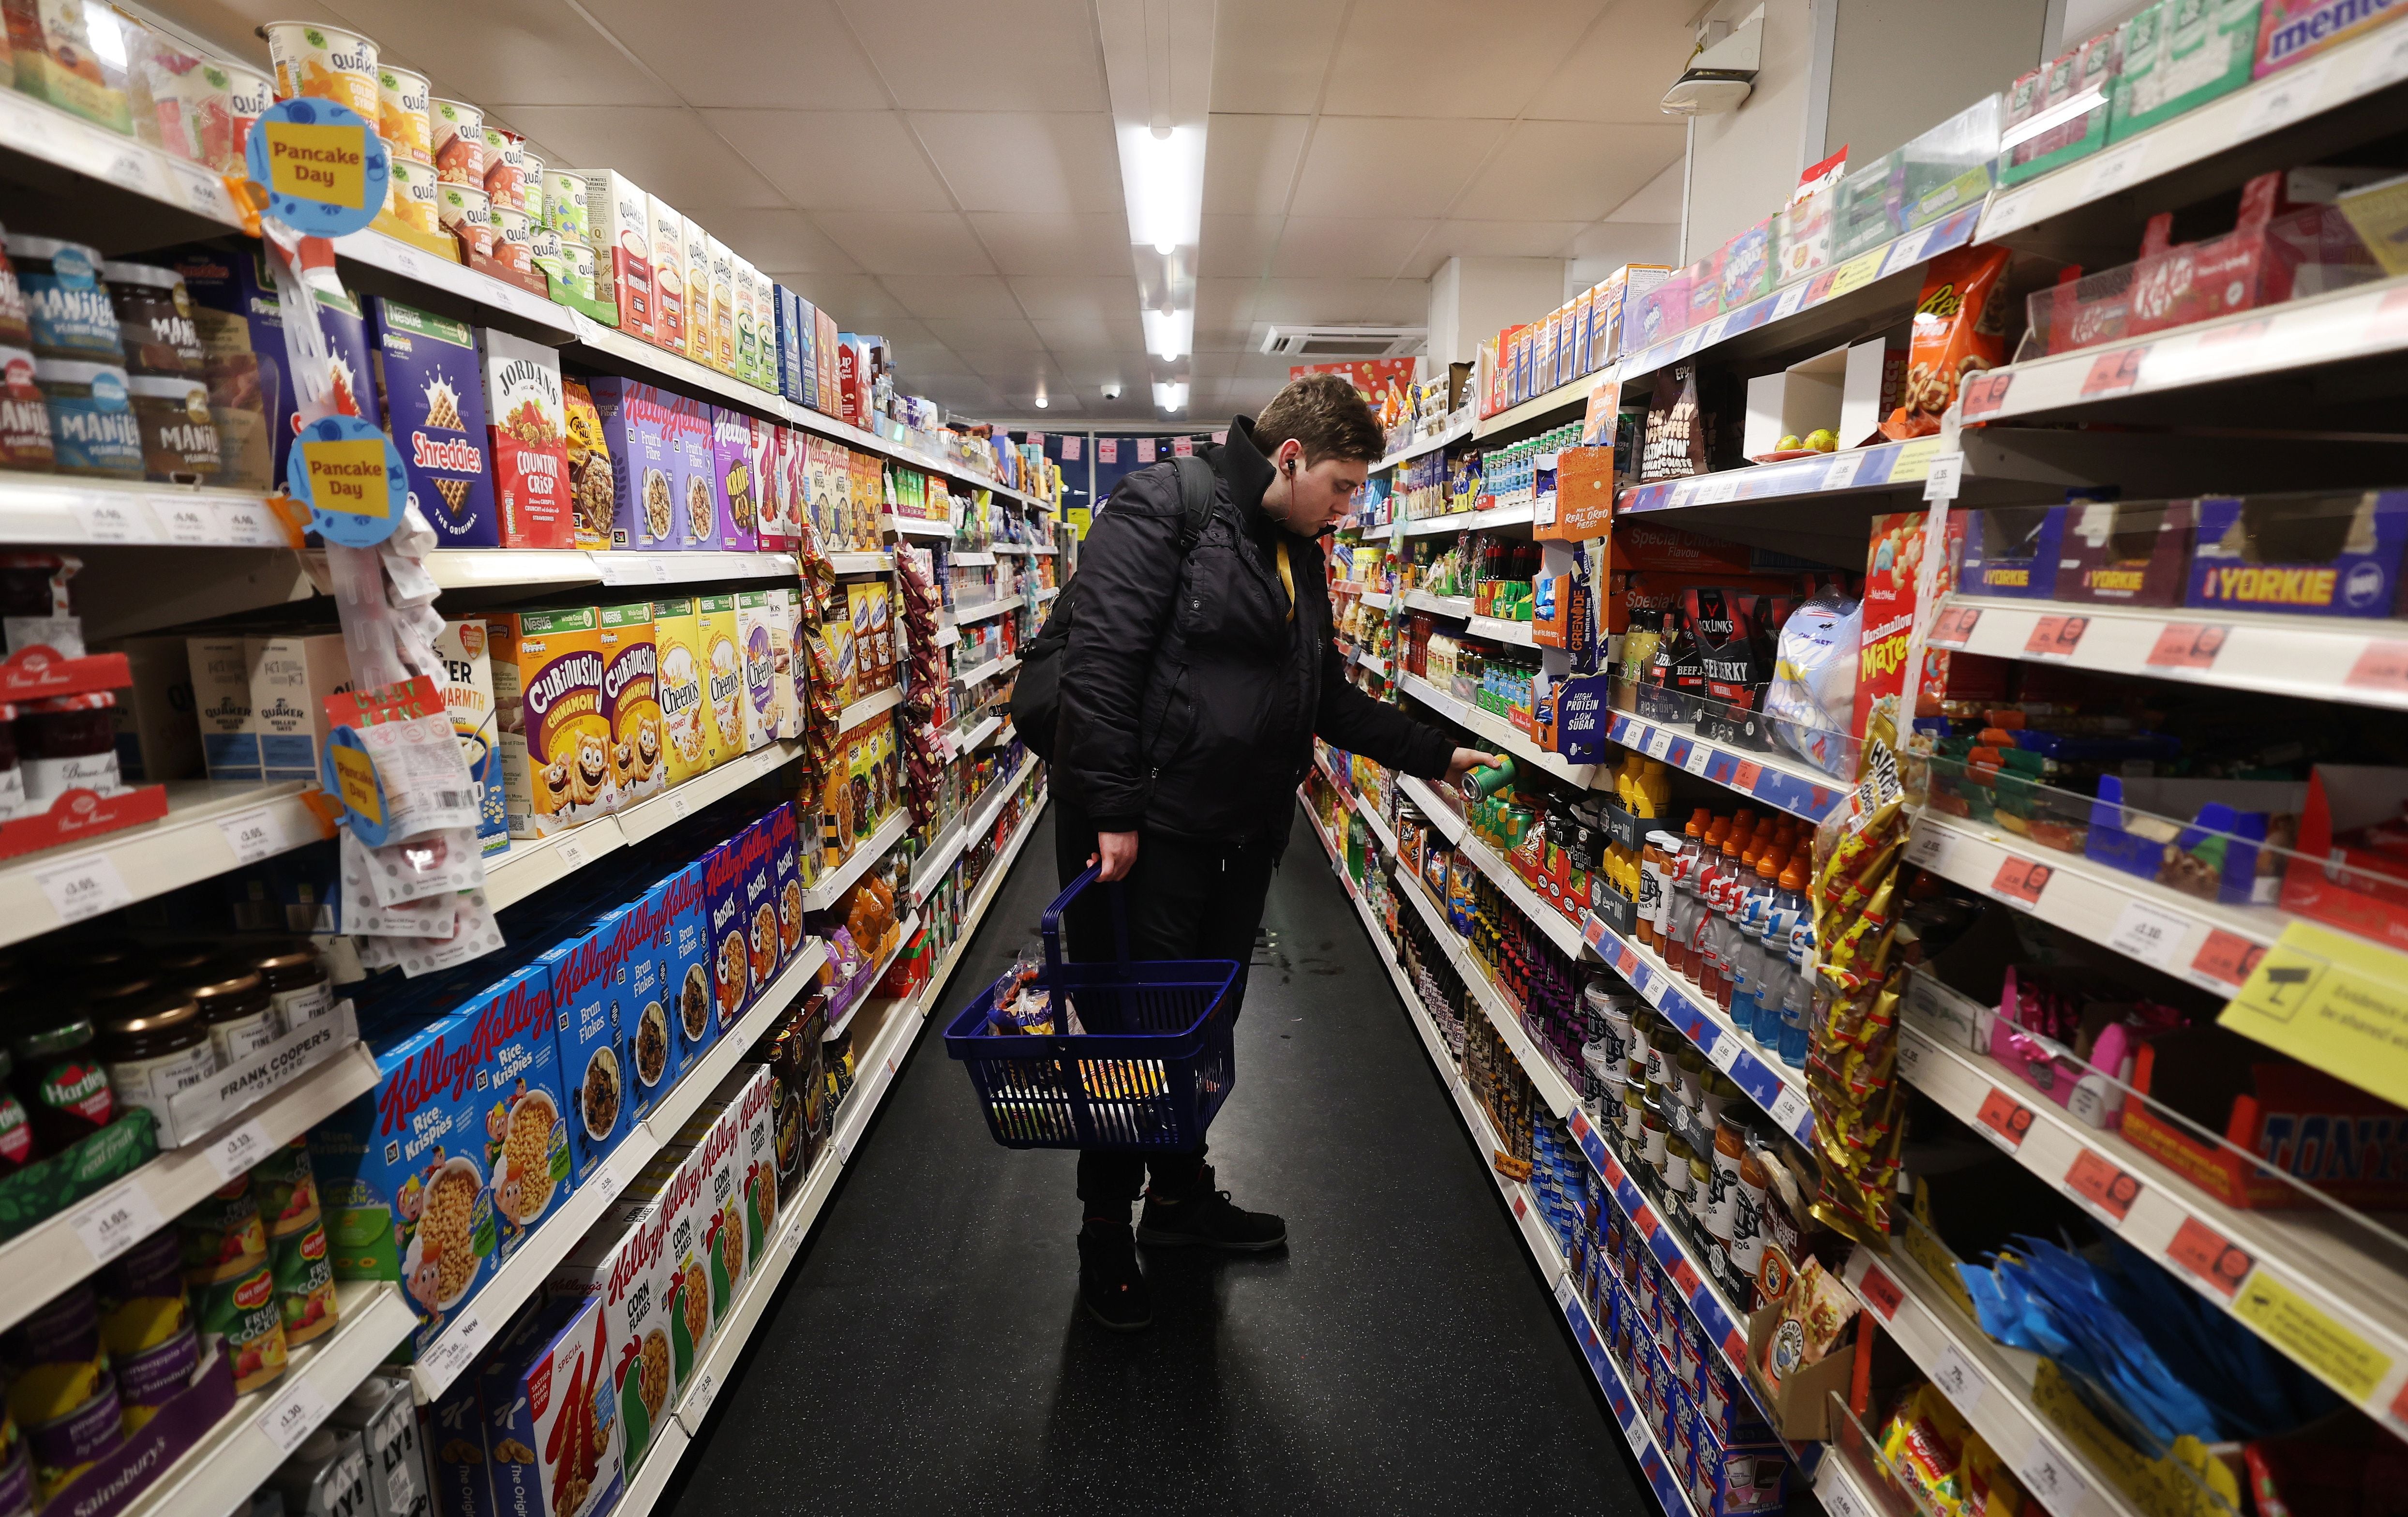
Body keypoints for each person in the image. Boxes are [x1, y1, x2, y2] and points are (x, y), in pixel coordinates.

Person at [1050, 372, 1501, 1331]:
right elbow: (1099, 666)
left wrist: (1434, 751)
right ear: (1289, 458)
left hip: (1242, 835)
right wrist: (1114, 809)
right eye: (1340, 486)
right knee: (1136, 1036)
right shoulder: (1162, 506)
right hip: (1153, 838)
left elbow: (1323, 697)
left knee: (1199, 1033)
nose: (1348, 509)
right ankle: (1102, 1225)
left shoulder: (1300, 553)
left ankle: (1176, 1202)